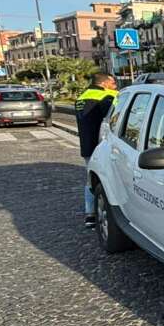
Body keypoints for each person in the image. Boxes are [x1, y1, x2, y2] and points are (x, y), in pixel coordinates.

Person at [75, 73, 118, 228]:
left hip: (87, 146)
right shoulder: (108, 96)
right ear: (105, 83)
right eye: (113, 83)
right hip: (105, 146)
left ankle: (90, 215)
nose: (115, 86)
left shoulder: (82, 97)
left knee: (90, 180)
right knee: (112, 180)